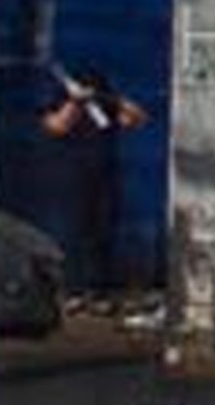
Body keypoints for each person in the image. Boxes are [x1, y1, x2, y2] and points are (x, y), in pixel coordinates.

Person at [38, 61, 150, 303]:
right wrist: (75, 102)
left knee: (102, 231)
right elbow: (56, 126)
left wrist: (108, 99)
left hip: (104, 174)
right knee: (74, 231)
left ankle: (98, 291)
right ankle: (72, 289)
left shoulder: (105, 105)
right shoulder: (62, 101)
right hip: (72, 174)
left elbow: (137, 119)